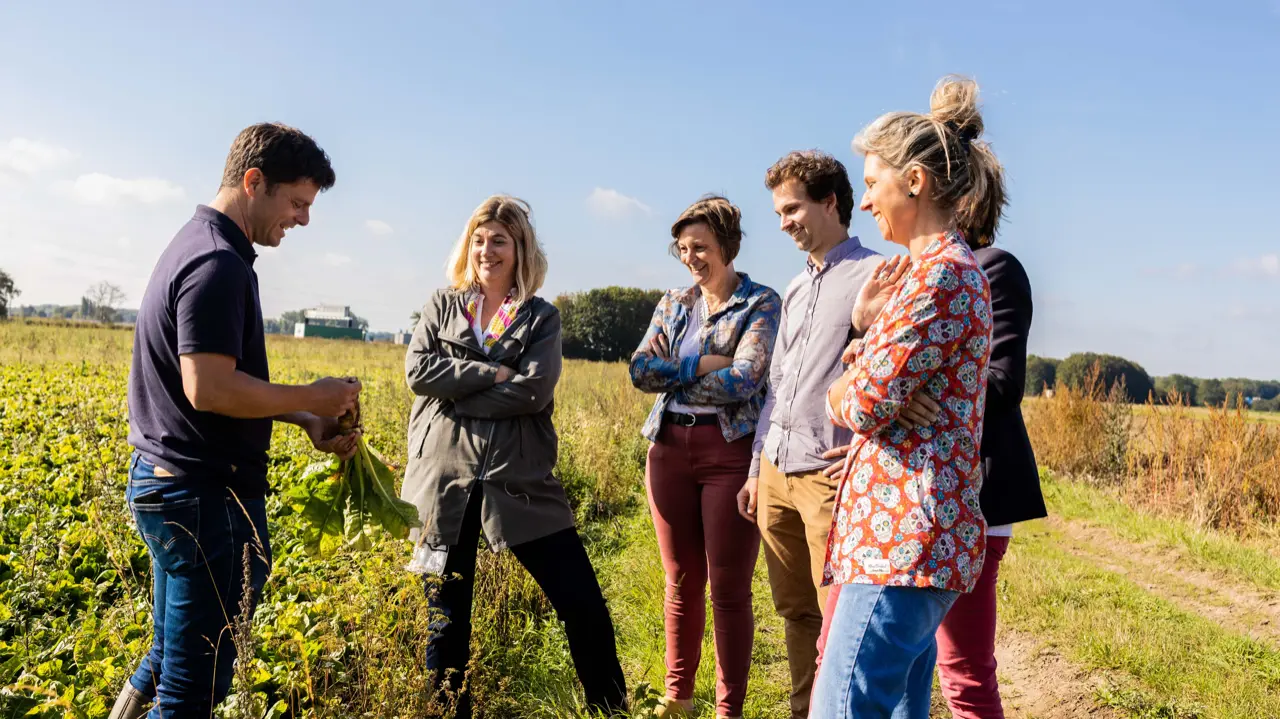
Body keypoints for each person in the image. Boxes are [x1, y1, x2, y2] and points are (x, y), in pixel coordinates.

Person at [112, 123, 362, 719]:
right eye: (296, 202)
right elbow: (208, 388)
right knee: (189, 695)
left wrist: (304, 416)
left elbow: (210, 388)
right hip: (202, 497)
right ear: (254, 182)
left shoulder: (196, 244)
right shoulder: (218, 263)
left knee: (168, 657)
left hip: (169, 482)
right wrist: (315, 394)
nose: (303, 219)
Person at [809, 74, 1006, 718]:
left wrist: (853, 386)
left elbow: (863, 402)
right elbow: (871, 389)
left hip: (903, 542)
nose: (865, 200)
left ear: (914, 182)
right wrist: (865, 353)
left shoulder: (941, 276)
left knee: (843, 707)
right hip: (901, 540)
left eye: (872, 183)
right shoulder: (926, 275)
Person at [401, 195, 627, 719]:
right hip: (441, 483)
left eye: (499, 240)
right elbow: (418, 372)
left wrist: (456, 393)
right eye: (478, 240)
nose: (487, 250)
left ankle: (611, 709)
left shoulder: (540, 317)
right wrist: (493, 373)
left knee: (582, 603)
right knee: (445, 620)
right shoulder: (441, 305)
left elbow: (533, 391)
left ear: (520, 248)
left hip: (518, 479)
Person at [734, 150, 881, 719]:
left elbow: (887, 380)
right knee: (795, 612)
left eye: (792, 209)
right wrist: (756, 470)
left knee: (839, 618)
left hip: (828, 475)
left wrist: (865, 452)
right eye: (778, 212)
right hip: (776, 471)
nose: (783, 223)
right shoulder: (794, 288)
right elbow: (775, 387)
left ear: (830, 202)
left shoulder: (876, 275)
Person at [630, 195, 781, 719]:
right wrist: (700, 364)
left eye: (701, 247)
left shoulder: (761, 302)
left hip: (729, 452)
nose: (690, 257)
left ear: (727, 247)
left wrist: (674, 369)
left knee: (729, 589)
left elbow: (746, 379)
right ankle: (679, 697)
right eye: (683, 248)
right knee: (680, 582)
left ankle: (728, 709)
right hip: (668, 448)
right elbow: (640, 371)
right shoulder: (674, 303)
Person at [933, 242, 1048, 718]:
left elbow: (1002, 382)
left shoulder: (993, 268)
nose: (869, 206)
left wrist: (908, 390)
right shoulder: (911, 273)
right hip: (915, 499)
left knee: (964, 672)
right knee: (908, 665)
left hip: (973, 500)